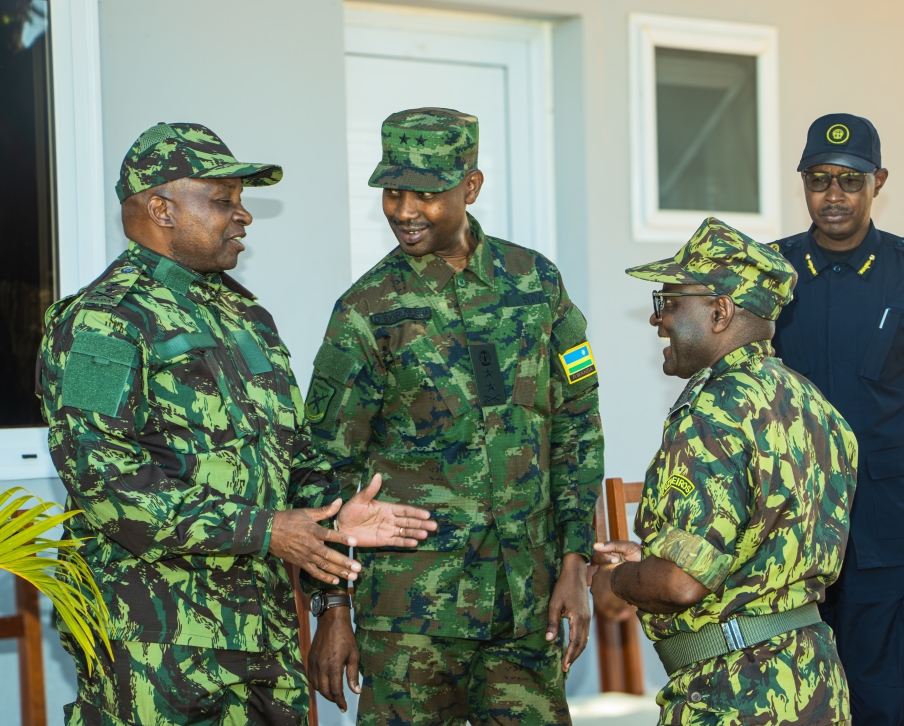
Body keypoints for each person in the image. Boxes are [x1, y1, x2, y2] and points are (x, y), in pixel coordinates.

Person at [37, 122, 437, 726]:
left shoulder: (243, 315)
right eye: (223, 201)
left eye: (240, 201)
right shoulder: (103, 322)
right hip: (154, 639)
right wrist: (265, 530)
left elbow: (289, 454)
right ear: (161, 209)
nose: (243, 215)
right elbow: (106, 481)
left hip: (263, 632)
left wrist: (331, 520)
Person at [305, 107, 604, 725]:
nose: (404, 210)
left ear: (471, 187)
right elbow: (326, 464)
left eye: (426, 193)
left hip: (526, 608)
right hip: (411, 616)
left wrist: (575, 562)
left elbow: (577, 424)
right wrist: (332, 607)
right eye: (393, 192)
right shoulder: (366, 310)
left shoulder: (536, 284)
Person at [590, 218, 857, 724]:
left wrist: (617, 581)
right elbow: (755, 550)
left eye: (670, 302)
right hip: (815, 687)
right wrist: (654, 556)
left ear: (720, 312)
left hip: (732, 695)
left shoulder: (712, 412)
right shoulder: (818, 409)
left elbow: (681, 584)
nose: (659, 319)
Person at [769, 113, 904, 725]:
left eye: (850, 180)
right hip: (791, 527)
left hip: (886, 528)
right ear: (804, 183)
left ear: (877, 182)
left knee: (886, 700)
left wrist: (903, 458)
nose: (833, 194)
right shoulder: (770, 274)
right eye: (819, 179)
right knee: (793, 703)